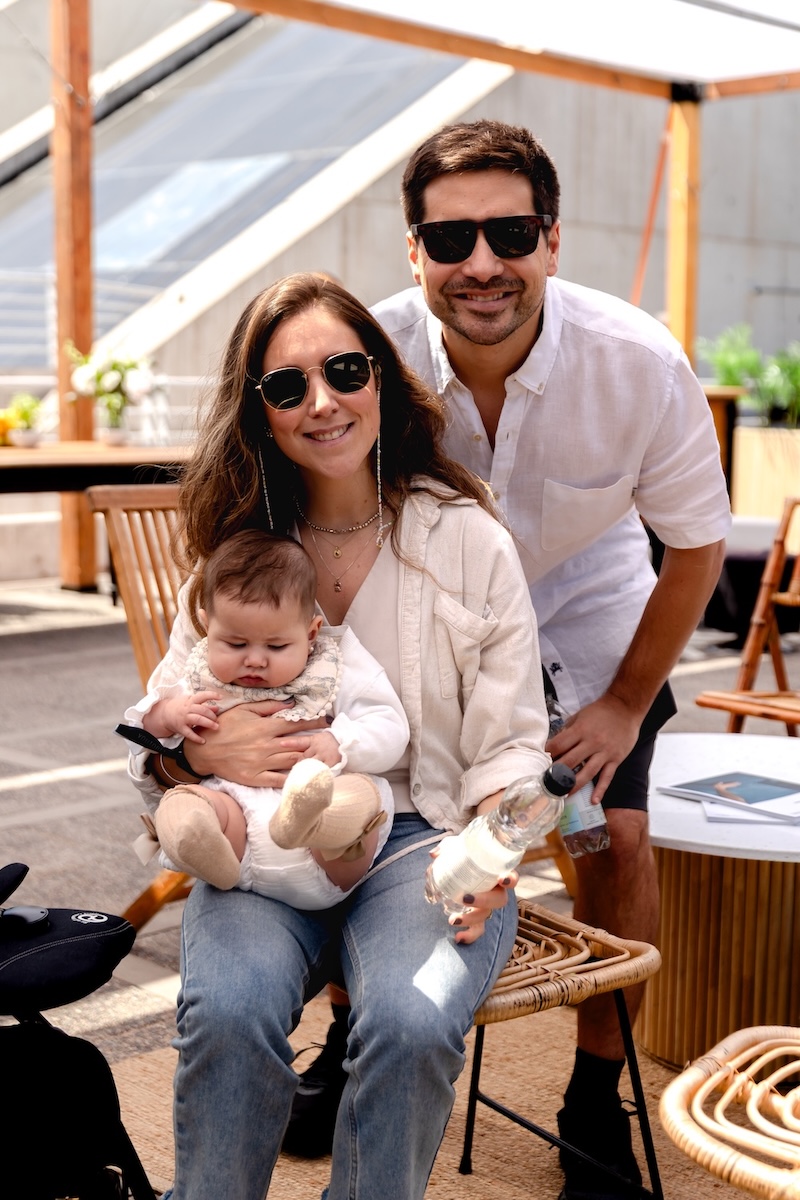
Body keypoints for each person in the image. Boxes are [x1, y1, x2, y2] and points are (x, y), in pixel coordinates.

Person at [291, 119, 732, 1198]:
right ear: (413, 252)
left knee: (614, 841)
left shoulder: (637, 361)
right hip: (426, 631)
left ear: (551, 240)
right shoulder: (365, 360)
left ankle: (592, 1097)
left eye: (510, 233)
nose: (481, 263)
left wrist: (625, 703)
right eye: (450, 240)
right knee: (363, 822)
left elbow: (695, 546)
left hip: (590, 635)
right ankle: (350, 1036)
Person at [127, 271, 553, 1200]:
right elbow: (160, 718)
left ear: (381, 380)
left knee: (412, 1018)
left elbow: (514, 743)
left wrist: (492, 854)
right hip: (261, 837)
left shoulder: (468, 540)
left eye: (345, 371)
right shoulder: (238, 549)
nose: (321, 402)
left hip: (423, 839)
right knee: (227, 1011)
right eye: (288, 386)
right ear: (261, 411)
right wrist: (192, 754)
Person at [121, 528, 409, 907]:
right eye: (235, 643)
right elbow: (141, 730)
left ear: (311, 633)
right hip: (239, 827)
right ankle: (197, 842)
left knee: (355, 798)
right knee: (198, 805)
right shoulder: (199, 678)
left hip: (328, 843)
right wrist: (168, 714)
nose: (255, 659)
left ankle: (311, 821)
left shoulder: (333, 667)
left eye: (276, 646)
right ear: (207, 626)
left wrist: (340, 742)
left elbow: (388, 724)